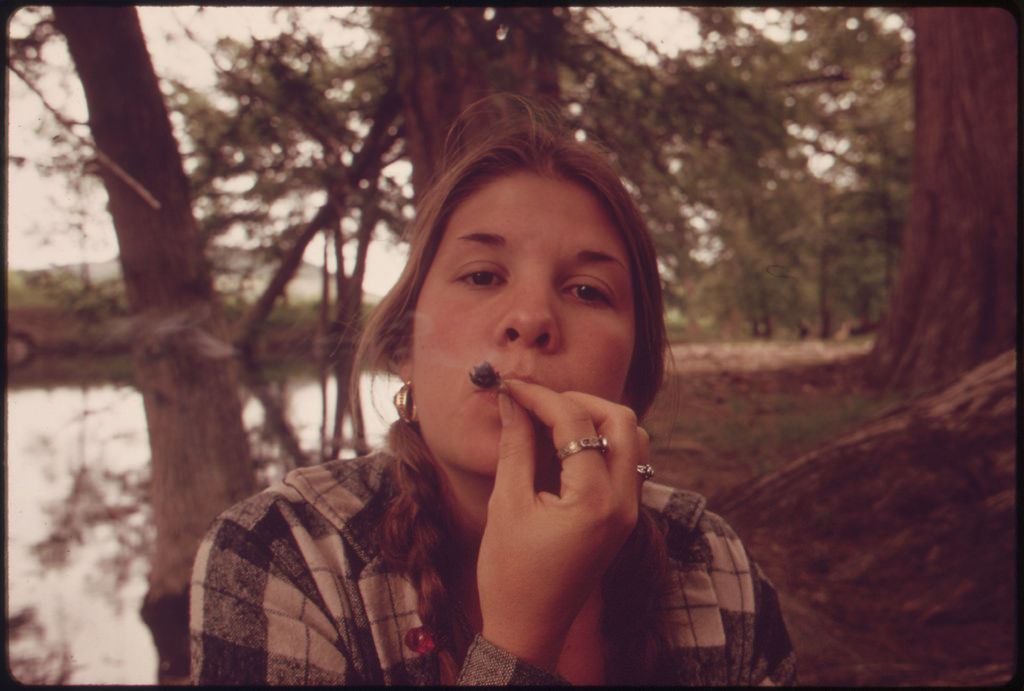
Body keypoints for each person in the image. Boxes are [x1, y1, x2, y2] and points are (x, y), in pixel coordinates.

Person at [189, 96, 796, 685]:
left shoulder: (709, 561)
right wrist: (519, 641)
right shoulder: (283, 555)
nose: (530, 318)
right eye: (482, 275)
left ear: (632, 378)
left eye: (588, 290)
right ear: (405, 347)